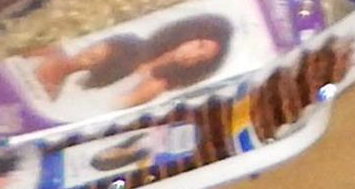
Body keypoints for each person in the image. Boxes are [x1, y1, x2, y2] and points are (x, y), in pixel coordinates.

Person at [17, 9, 237, 114]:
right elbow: (70, 59)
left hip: (61, 110)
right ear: (188, 34)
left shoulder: (156, 84)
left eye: (201, 59)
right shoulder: (129, 44)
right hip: (40, 82)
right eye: (199, 45)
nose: (193, 55)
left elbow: (106, 109)